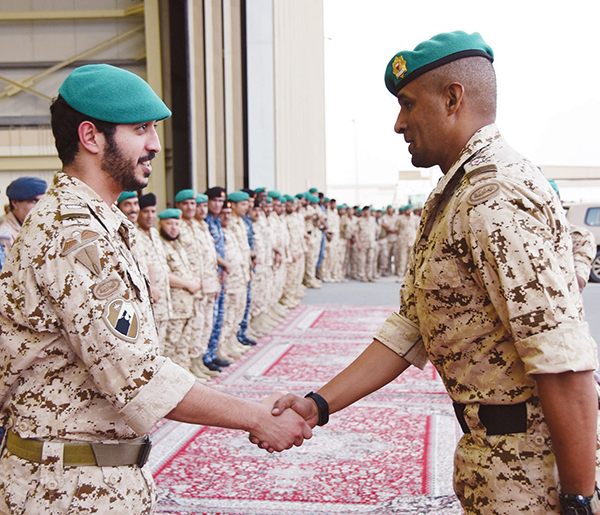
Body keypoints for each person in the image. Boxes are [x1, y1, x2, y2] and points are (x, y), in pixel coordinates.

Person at [263, 31, 600, 514]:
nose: (398, 124)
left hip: (536, 471)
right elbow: (412, 327)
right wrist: (319, 405)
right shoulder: (457, 192)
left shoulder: (493, 196)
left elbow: (562, 361)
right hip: (499, 459)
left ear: (452, 98)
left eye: (407, 104)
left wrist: (577, 497)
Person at [0, 63, 311, 514]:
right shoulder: (73, 235)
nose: (154, 144)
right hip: (67, 488)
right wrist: (256, 417)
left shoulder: (95, 225)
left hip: (88, 476)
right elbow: (137, 379)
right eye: (141, 129)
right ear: (91, 137)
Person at [0, 176, 47, 257]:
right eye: (33, 201)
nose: (40, 206)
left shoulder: (32, 226)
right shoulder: (6, 237)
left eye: (42, 201)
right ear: (15, 203)